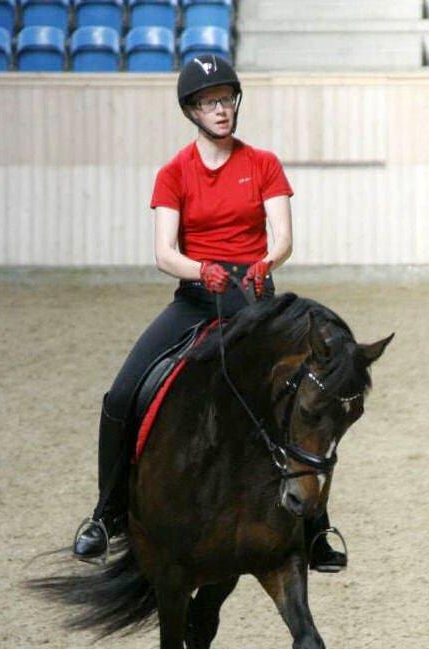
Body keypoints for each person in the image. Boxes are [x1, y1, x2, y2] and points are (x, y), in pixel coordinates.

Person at [73, 54, 346, 573]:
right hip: (197, 296)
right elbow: (164, 252)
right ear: (192, 111)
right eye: (209, 102)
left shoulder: (262, 162)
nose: (221, 110)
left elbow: (283, 235)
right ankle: (106, 515)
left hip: (255, 296)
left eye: (226, 99)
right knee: (122, 392)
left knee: (305, 400)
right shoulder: (174, 172)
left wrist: (267, 260)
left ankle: (316, 530)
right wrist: (201, 269)